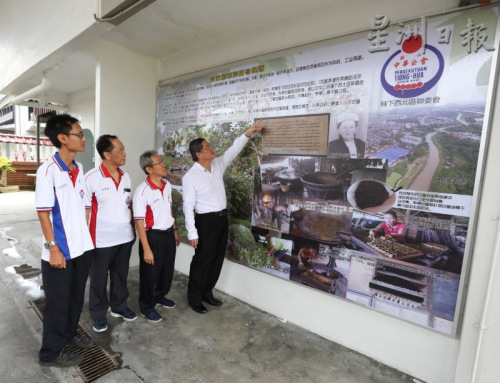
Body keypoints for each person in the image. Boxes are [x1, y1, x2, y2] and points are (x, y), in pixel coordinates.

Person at [182, 120, 263, 314]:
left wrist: (248, 133)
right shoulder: (190, 177)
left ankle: (207, 292)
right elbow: (187, 206)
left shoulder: (217, 164)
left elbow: (233, 150)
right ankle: (194, 298)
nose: (212, 148)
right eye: (207, 147)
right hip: (205, 222)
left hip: (221, 220)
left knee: (217, 258)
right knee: (202, 260)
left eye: (210, 145)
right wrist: (192, 232)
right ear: (198, 154)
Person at [35, 114, 95, 367]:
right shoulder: (48, 170)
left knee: (75, 298)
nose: (83, 139)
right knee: (58, 304)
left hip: (82, 248)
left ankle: (69, 334)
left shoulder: (78, 168)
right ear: (62, 138)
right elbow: (43, 213)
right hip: (60, 252)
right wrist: (53, 249)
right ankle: (50, 353)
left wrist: (83, 236)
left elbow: (82, 205)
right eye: (79, 135)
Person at [84, 135, 137, 333]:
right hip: (101, 240)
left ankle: (119, 307)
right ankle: (98, 314)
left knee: (120, 275)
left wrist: (132, 229)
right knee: (98, 279)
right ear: (107, 154)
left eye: (124, 149)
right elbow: (86, 212)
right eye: (120, 150)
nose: (124, 154)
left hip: (124, 238)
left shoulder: (126, 175)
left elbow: (127, 205)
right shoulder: (91, 178)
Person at [133, 151, 181, 322]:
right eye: (159, 163)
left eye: (163, 162)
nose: (164, 165)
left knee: (167, 270)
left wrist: (174, 230)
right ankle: (146, 306)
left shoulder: (167, 185)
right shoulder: (142, 192)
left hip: (168, 234)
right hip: (152, 237)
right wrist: (146, 249)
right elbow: (139, 222)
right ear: (149, 169)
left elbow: (169, 209)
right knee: (150, 274)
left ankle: (159, 295)